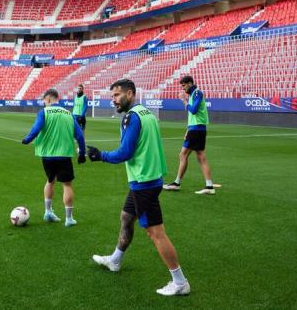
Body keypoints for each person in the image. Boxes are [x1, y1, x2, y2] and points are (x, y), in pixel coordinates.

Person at [87, 79, 189, 297]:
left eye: (116, 95)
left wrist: (100, 156)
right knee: (126, 217)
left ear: (130, 94)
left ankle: (180, 282)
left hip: (144, 181)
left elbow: (125, 153)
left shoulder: (130, 118)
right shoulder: (146, 113)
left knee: (155, 233)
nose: (113, 100)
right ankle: (115, 260)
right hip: (147, 179)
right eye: (112, 96)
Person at [22, 89, 85, 227]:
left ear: (49, 99)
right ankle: (69, 219)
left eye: (44, 101)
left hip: (47, 155)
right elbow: (79, 136)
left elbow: (36, 129)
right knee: (67, 185)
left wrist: (27, 139)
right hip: (64, 155)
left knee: (50, 181)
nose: (44, 104)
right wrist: (82, 153)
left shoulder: (44, 112)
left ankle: (48, 211)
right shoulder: (69, 114)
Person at [163, 75, 217, 195]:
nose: (183, 89)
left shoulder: (197, 93)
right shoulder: (193, 94)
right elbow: (192, 116)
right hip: (196, 129)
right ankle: (209, 186)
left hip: (196, 129)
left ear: (190, 83)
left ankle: (177, 183)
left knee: (183, 155)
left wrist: (184, 101)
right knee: (200, 157)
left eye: (184, 86)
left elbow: (193, 110)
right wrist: (188, 129)